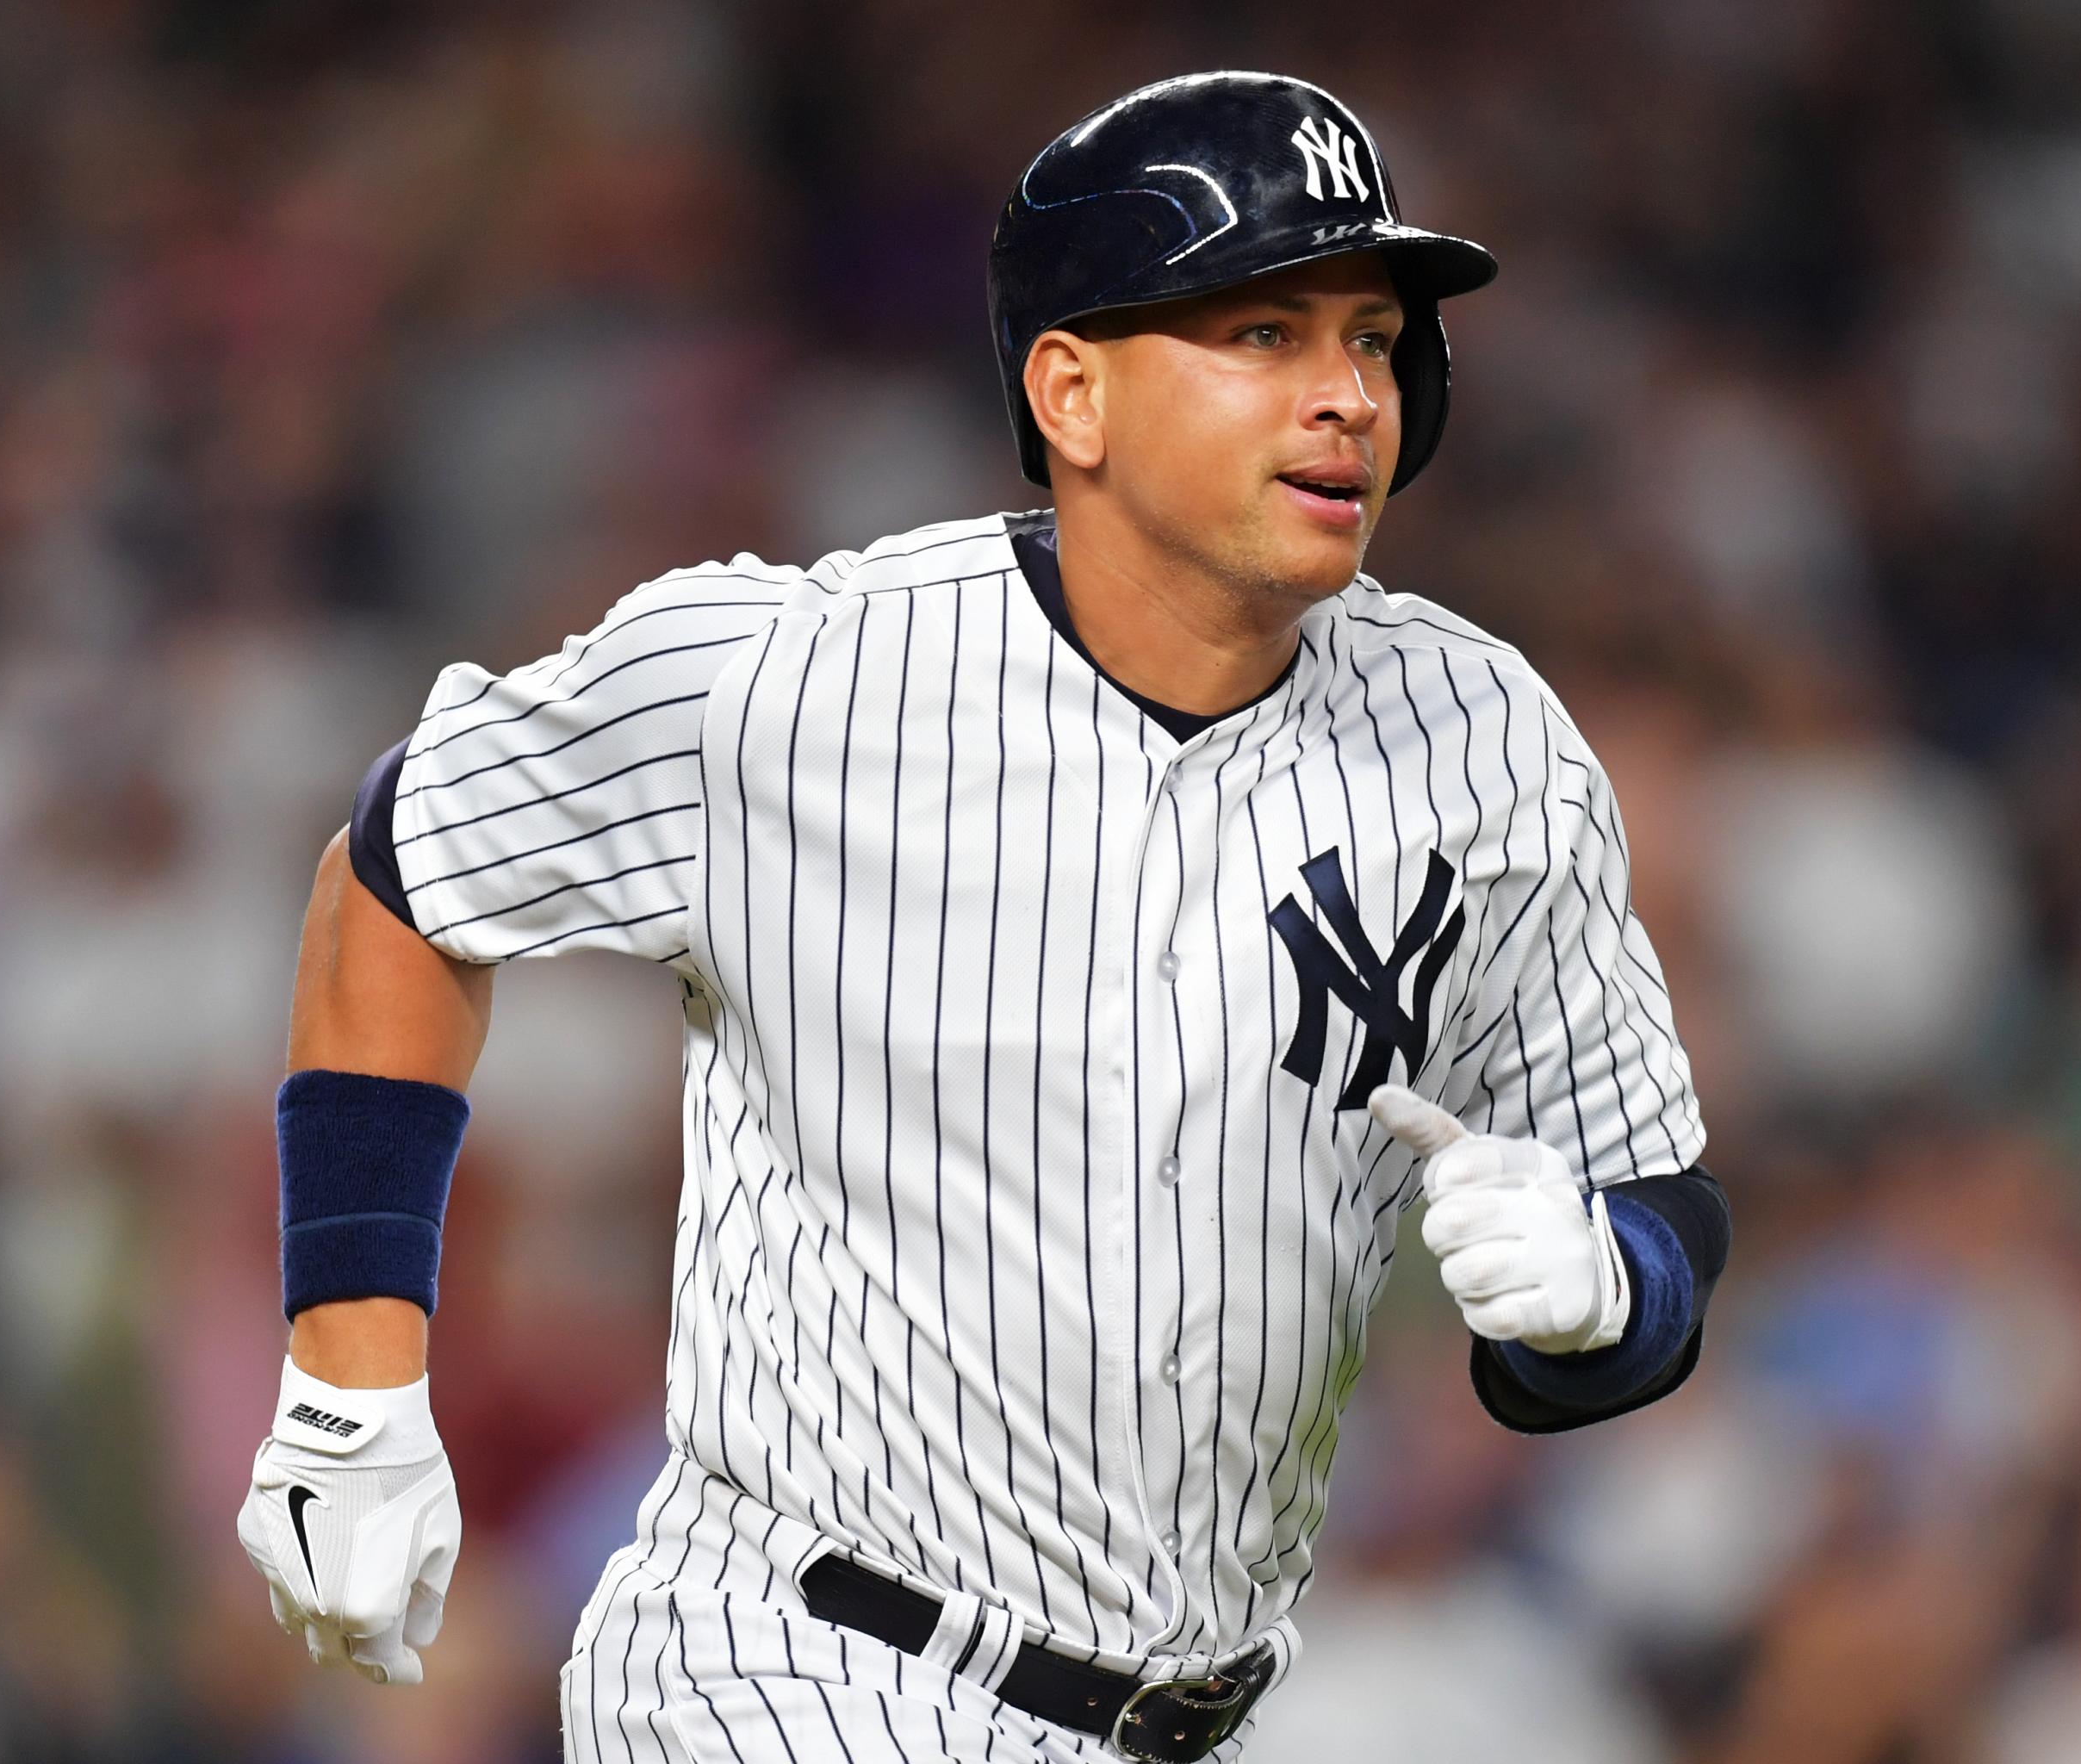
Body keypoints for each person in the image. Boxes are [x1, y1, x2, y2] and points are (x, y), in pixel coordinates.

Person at [235, 71, 1732, 1764]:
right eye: (1264, 337)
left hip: (1209, 1712)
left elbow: (1660, 1200)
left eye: (1374, 342)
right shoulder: (792, 679)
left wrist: (1611, 1290)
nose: (1347, 398)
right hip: (798, 1665)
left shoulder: (1483, 740)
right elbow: (404, 865)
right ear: (1072, 393)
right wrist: (352, 1384)